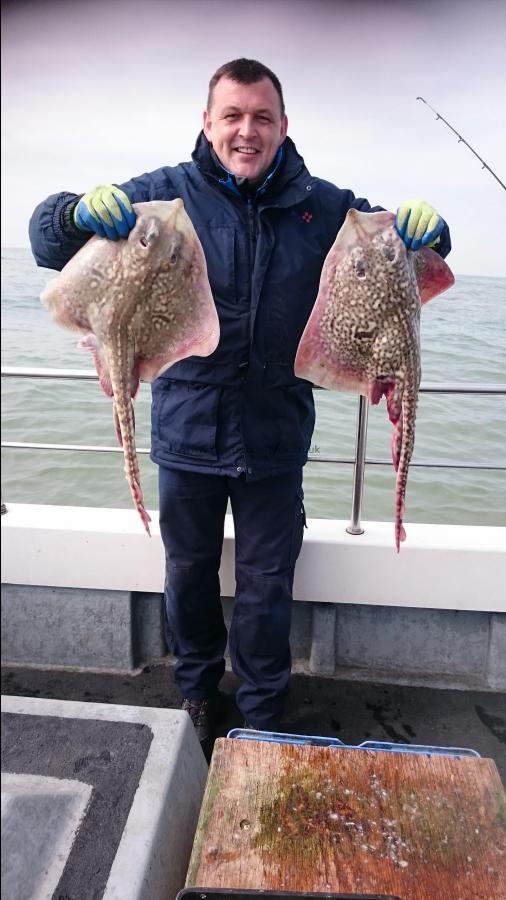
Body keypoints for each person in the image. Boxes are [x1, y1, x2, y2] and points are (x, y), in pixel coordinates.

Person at [29, 58, 451, 743]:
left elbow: (401, 246)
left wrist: (430, 228)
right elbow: (51, 242)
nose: (247, 131)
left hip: (275, 434)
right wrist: (70, 211)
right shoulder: (163, 198)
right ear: (208, 122)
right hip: (188, 429)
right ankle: (196, 692)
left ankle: (261, 711)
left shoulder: (323, 206)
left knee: (266, 585)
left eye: (262, 118)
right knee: (188, 575)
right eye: (233, 117)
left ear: (284, 127)